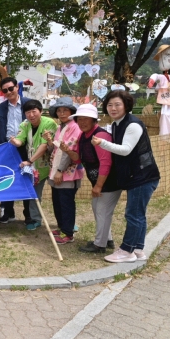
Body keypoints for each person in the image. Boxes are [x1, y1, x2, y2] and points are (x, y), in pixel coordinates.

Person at [92, 90, 160, 263]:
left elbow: (126, 149)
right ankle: (138, 249)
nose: (113, 108)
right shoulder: (117, 124)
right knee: (138, 214)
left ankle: (126, 250)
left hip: (142, 176)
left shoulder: (133, 125)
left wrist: (103, 143)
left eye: (117, 104)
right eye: (109, 105)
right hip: (137, 176)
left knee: (133, 214)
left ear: (126, 105)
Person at [66, 104, 120, 253]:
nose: (82, 122)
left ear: (94, 120)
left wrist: (99, 186)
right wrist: (68, 151)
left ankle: (99, 245)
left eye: (86, 119)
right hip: (98, 180)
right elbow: (78, 159)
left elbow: (106, 162)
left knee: (102, 210)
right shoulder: (83, 136)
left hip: (109, 181)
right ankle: (107, 239)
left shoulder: (100, 136)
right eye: (79, 119)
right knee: (97, 209)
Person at [0, 77, 30, 223]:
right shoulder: (0, 108)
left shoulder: (28, 104)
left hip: (26, 148)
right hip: (7, 149)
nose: (9, 92)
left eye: (11, 88)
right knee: (6, 179)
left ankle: (29, 215)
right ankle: (8, 212)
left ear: (17, 87)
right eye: (5, 90)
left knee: (26, 179)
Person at [10, 100, 57, 231]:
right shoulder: (25, 124)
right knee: (34, 194)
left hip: (53, 164)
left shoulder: (49, 123)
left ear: (40, 111)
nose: (31, 115)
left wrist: (29, 161)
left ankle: (65, 222)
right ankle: (36, 219)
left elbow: (43, 146)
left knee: (59, 195)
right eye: (28, 112)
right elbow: (21, 140)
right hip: (36, 167)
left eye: (34, 111)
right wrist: (15, 141)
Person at [43, 97, 83, 244]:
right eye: (59, 110)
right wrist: (49, 141)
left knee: (66, 202)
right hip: (57, 170)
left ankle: (68, 232)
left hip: (68, 172)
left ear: (72, 111)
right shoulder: (61, 127)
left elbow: (69, 149)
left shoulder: (75, 127)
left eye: (65, 110)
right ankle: (62, 227)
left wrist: (60, 169)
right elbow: (56, 148)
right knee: (57, 201)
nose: (62, 113)